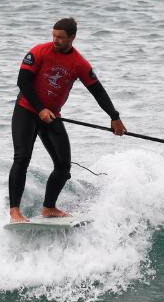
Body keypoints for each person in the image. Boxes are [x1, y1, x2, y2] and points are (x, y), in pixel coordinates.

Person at [9, 18, 126, 223]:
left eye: (60, 37)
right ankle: (15, 212)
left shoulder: (79, 63)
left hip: (52, 115)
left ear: (72, 38)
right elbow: (22, 81)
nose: (55, 40)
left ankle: (49, 208)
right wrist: (40, 109)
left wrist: (114, 117)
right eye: (53, 35)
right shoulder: (39, 52)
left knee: (63, 166)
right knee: (22, 158)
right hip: (26, 111)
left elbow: (97, 90)